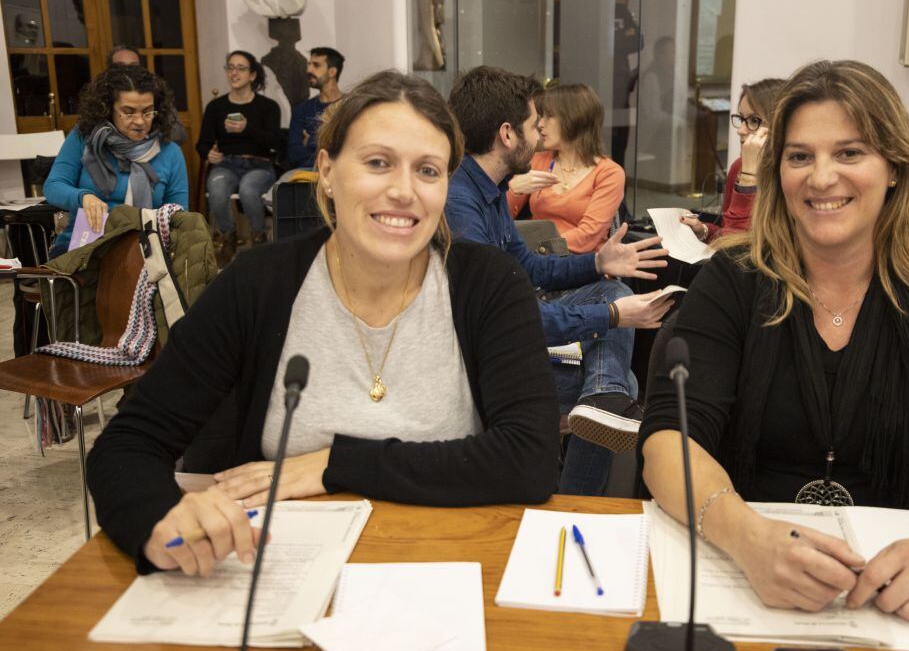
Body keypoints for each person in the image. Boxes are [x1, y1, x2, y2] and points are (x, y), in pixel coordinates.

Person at [86, 70, 561, 577]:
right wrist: (161, 520)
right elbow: (127, 445)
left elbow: (530, 459)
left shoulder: (488, 284)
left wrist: (336, 464)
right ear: (327, 171)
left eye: (428, 170)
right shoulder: (259, 284)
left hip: (447, 570)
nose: (404, 191)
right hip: (278, 572)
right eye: (378, 163)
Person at [641, 60, 909, 625]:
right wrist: (745, 538)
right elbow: (669, 438)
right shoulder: (731, 280)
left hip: (907, 592)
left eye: (850, 153)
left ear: (894, 167)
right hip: (745, 574)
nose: (821, 177)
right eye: (800, 156)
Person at [445, 66, 673, 496]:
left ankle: (601, 399)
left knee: (614, 297)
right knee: (616, 374)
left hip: (509, 329)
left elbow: (531, 267)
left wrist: (598, 264)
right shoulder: (462, 205)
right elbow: (511, 320)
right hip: (485, 365)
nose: (540, 134)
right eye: (535, 125)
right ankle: (574, 497)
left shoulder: (486, 192)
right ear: (508, 135)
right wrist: (610, 317)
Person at [44, 65, 188, 256]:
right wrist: (84, 197)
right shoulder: (83, 138)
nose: (140, 121)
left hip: (146, 248)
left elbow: (179, 215)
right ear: (107, 109)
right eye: (128, 112)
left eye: (147, 112)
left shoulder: (170, 152)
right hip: (85, 245)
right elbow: (53, 186)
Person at [506, 83, 625, 254]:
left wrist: (536, 249)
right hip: (538, 262)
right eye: (541, 116)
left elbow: (587, 238)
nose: (540, 124)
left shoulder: (609, 173)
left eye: (549, 116)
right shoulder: (537, 161)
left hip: (583, 266)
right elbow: (499, 221)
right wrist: (513, 190)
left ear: (574, 119)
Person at [195, 50, 281, 264]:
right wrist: (209, 153)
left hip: (259, 164)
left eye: (240, 68)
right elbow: (202, 143)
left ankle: (259, 239)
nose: (234, 73)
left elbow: (275, 142)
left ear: (252, 75)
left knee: (248, 189)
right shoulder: (216, 107)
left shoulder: (268, 107)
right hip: (227, 163)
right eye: (230, 68)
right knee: (216, 186)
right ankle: (228, 237)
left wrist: (246, 128)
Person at [680, 77, 784, 241]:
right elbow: (729, 232)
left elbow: (739, 249)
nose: (741, 130)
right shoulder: (738, 167)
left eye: (754, 121)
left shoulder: (790, 175)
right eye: (742, 119)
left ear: (779, 124)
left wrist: (749, 177)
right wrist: (704, 230)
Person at [109, 44, 188, 145]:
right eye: (120, 66)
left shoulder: (156, 95)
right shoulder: (99, 99)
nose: (128, 71)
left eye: (133, 66)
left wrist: (149, 133)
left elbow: (179, 135)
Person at [285, 47, 345, 174]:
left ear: (332, 72)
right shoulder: (301, 110)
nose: (308, 70)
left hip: (341, 171)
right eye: (309, 64)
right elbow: (294, 154)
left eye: (316, 65)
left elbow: (350, 148)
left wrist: (311, 141)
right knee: (281, 187)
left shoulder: (351, 106)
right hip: (307, 171)